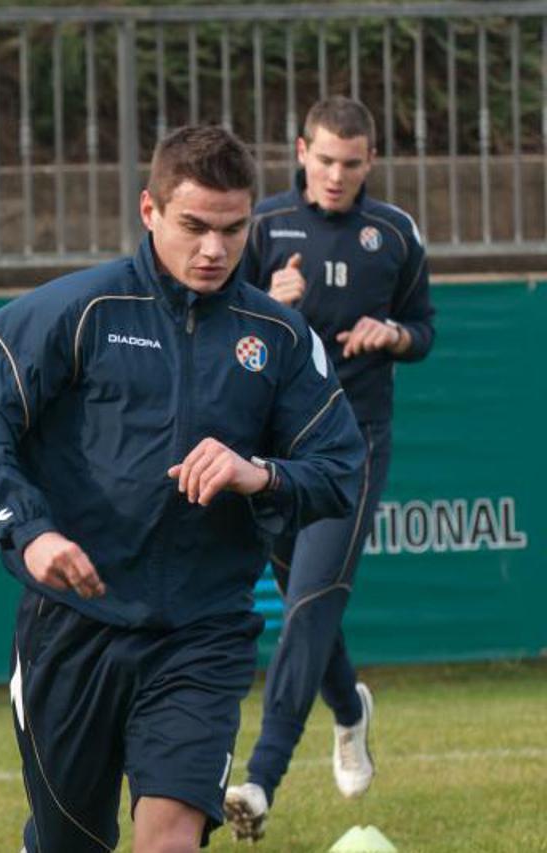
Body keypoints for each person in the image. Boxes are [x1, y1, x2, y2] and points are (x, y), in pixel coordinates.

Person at [0, 125, 365, 853]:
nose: (214, 250)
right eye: (194, 226)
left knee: (169, 838)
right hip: (72, 627)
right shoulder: (80, 310)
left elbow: (341, 467)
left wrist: (258, 473)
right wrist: (29, 531)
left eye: (233, 229)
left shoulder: (279, 337)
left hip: (204, 630)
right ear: (149, 210)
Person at [224, 96, 435, 841]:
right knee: (309, 603)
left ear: (370, 161)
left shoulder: (396, 234)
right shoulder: (264, 227)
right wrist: (264, 303)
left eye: (351, 162)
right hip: (277, 447)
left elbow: (424, 329)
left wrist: (395, 333)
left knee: (309, 604)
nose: (337, 174)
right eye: (324, 159)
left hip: (354, 448)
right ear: (300, 151)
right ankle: (350, 709)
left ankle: (259, 778)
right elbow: (226, 324)